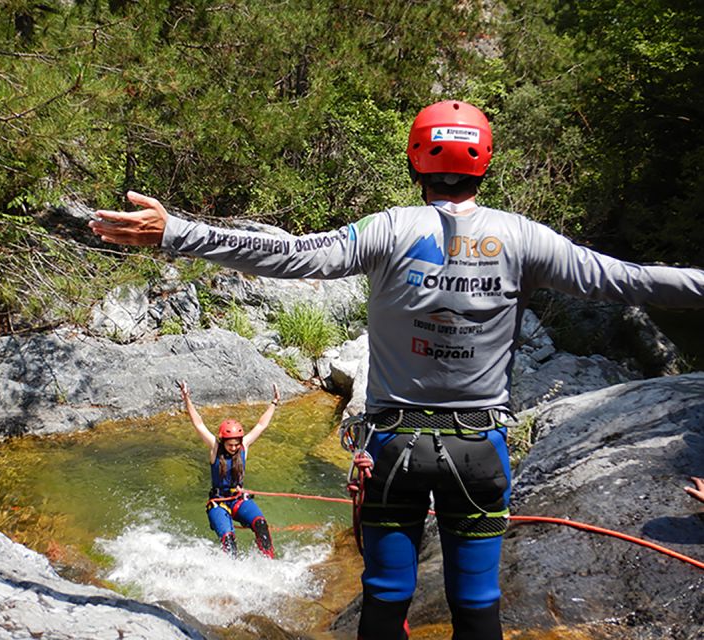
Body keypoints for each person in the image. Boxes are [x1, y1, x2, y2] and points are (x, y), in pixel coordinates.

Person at [89, 100, 704, 640]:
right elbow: (628, 279)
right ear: (483, 164)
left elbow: (290, 256)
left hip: (394, 449)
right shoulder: (523, 237)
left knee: (385, 599)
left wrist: (179, 233)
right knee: (479, 605)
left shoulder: (387, 229)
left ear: (416, 162)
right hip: (479, 449)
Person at [178, 379, 280, 558]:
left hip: (238, 499)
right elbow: (199, 424)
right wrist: (187, 399)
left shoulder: (244, 447)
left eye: (236, 444)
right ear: (223, 441)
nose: (233, 448)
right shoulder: (215, 448)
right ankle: (233, 571)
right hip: (219, 503)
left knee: (261, 524)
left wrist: (274, 403)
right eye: (230, 444)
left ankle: (269, 561)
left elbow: (261, 426)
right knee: (229, 540)